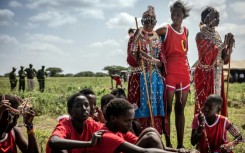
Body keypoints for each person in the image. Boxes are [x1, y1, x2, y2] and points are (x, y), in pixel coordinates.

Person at [94, 98, 195, 153]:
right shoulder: (107, 136)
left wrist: (178, 151)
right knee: (150, 137)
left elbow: (151, 145)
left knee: (150, 131)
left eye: (131, 121)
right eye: (127, 121)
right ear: (112, 119)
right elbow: (145, 151)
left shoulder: (118, 130)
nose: (130, 125)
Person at [156, 1, 191, 148]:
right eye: (173, 13)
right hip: (170, 71)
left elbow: (184, 52)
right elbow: (151, 34)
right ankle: (169, 144)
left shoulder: (186, 31)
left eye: (178, 14)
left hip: (184, 72)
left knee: (180, 109)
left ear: (183, 15)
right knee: (168, 109)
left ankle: (181, 145)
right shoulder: (165, 29)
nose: (175, 16)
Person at [127, 5, 165, 135]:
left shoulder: (158, 38)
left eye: (152, 21)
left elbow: (162, 62)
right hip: (139, 77)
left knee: (155, 108)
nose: (149, 24)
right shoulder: (136, 36)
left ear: (155, 22)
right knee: (140, 107)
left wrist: (150, 59)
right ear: (142, 21)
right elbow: (133, 56)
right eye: (146, 21)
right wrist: (137, 38)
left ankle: (155, 134)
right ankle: (139, 135)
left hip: (155, 78)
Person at [193, 7, 235, 117]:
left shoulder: (217, 35)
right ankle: (203, 131)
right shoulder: (200, 35)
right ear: (206, 19)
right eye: (214, 16)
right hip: (205, 75)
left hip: (217, 74)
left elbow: (223, 58)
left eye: (218, 16)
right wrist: (223, 43)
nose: (217, 18)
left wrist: (229, 47)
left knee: (217, 104)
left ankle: (216, 128)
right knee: (205, 105)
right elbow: (207, 58)